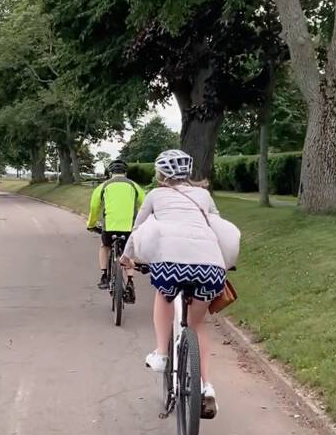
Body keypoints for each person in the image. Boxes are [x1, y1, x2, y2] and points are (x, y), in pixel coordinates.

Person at [121, 149, 231, 419]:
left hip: (170, 264)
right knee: (197, 325)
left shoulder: (155, 196)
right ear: (188, 172)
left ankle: (161, 353)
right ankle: (206, 387)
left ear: (160, 174)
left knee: (163, 294)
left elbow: (138, 229)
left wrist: (126, 258)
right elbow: (218, 227)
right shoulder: (203, 196)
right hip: (209, 268)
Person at [86, 158, 144, 303]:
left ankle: (104, 275)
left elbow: (94, 207)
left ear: (110, 172)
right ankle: (130, 280)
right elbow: (144, 204)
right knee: (128, 252)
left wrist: (91, 224)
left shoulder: (104, 186)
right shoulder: (134, 186)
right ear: (125, 172)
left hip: (110, 227)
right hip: (129, 227)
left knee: (104, 246)